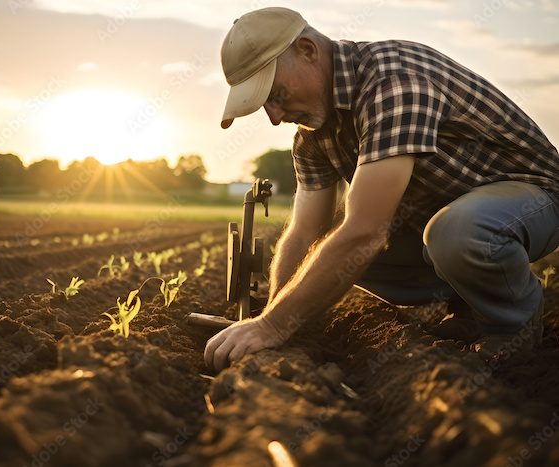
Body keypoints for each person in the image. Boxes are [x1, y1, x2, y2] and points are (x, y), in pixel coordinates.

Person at [204, 7, 559, 371]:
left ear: (308, 51)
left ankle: (513, 325)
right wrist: (273, 316)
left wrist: (273, 326)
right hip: (450, 215)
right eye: (264, 105)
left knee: (449, 232)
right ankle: (470, 305)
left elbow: (365, 233)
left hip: (533, 197)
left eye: (276, 94)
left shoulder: (393, 82)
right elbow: (305, 232)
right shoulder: (311, 137)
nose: (275, 117)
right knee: (327, 251)